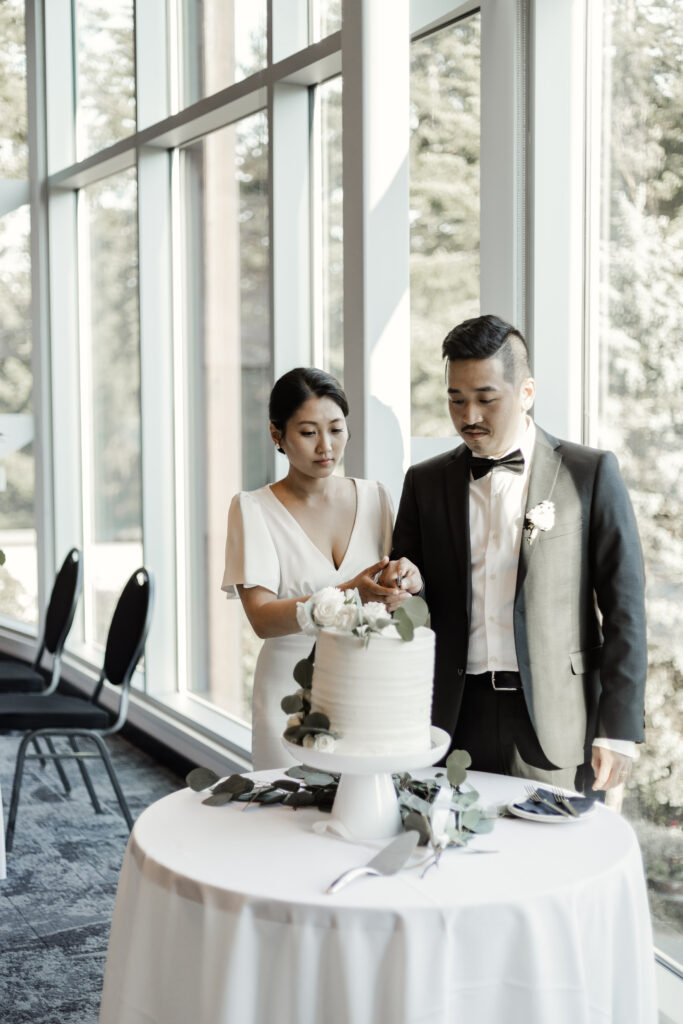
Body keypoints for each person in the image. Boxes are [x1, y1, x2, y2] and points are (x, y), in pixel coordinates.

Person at [381, 314, 647, 792]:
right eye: (455, 400)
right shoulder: (424, 481)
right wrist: (402, 587)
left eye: (486, 399)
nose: (469, 417)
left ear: (526, 393)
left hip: (555, 724)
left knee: (553, 860)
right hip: (451, 718)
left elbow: (625, 608)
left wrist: (620, 729)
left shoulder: (589, 473)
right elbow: (407, 600)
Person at [222, 367, 402, 770]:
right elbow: (263, 620)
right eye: (308, 433)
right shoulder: (252, 508)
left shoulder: (376, 498)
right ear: (276, 435)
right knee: (288, 815)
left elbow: (392, 595)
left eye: (336, 429)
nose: (326, 447)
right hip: (289, 689)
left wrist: (400, 583)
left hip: (368, 682)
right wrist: (348, 592)